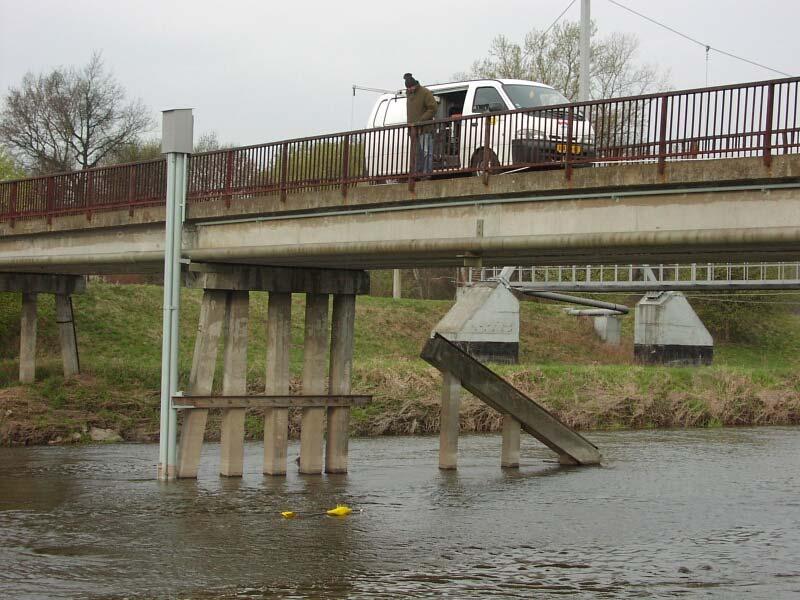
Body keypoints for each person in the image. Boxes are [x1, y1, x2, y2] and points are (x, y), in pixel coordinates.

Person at [404, 73, 437, 177]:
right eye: (408, 88)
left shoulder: (425, 93)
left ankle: (427, 173)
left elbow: (433, 108)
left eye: (411, 87)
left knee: (427, 152)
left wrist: (421, 120)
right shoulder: (409, 94)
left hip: (425, 129)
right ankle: (417, 173)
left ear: (415, 84)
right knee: (416, 154)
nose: (410, 89)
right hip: (413, 131)